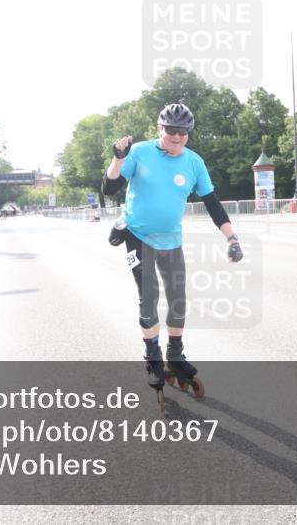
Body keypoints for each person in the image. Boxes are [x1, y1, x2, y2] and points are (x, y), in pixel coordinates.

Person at [102, 102, 243, 397]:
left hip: (171, 238)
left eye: (183, 131)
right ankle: (153, 359)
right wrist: (118, 158)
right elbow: (109, 187)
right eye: (171, 130)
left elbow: (213, 204)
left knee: (178, 300)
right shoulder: (138, 151)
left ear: (189, 132)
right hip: (137, 235)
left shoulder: (194, 162)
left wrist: (232, 239)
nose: (176, 136)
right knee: (149, 295)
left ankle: (175, 355)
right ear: (160, 129)